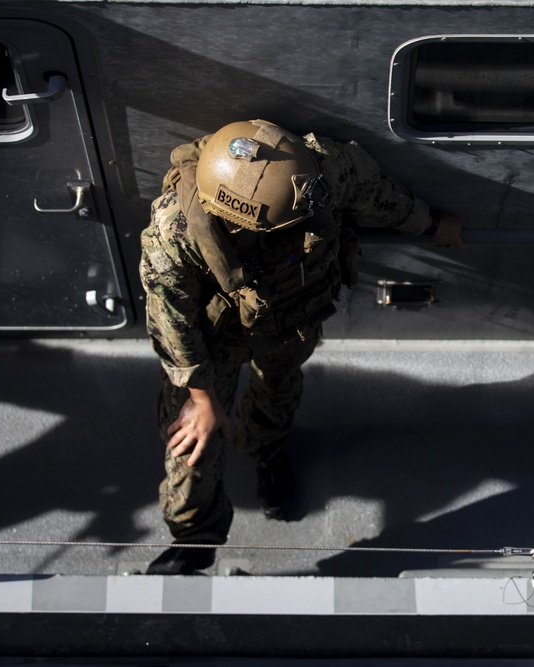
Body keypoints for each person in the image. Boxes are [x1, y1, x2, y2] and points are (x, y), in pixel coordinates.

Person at [139, 119, 463, 574]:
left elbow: (379, 196)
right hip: (210, 341)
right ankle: (195, 539)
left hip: (292, 317)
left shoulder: (325, 172)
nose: (241, 238)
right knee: (190, 443)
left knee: (277, 391)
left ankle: (267, 453)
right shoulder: (173, 230)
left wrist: (431, 224)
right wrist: (201, 396)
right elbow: (169, 319)